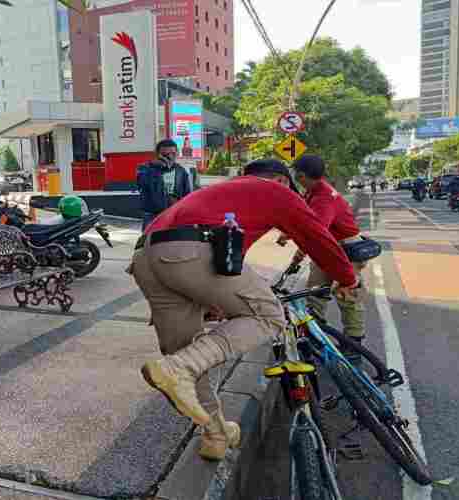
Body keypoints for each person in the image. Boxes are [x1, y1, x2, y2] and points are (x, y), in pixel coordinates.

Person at [129, 158, 358, 461]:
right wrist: (347, 278)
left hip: (145, 258)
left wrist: (213, 300)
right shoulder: (277, 191)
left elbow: (230, 259)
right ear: (281, 180)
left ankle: (215, 434)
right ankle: (179, 369)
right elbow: (317, 237)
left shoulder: (223, 192)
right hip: (190, 250)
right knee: (269, 316)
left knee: (188, 353)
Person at [282, 156, 367, 357]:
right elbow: (304, 219)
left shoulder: (324, 198)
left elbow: (316, 233)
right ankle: (315, 335)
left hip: (346, 251)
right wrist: (288, 232)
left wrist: (298, 255)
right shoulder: (313, 192)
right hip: (328, 249)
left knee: (347, 296)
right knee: (315, 293)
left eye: (296, 175)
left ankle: (354, 345)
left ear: (301, 176)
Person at [136, 139, 192, 230]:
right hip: (153, 215)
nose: (170, 157)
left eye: (173, 154)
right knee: (150, 241)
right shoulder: (145, 169)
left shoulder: (181, 171)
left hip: (174, 214)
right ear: (157, 155)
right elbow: (142, 184)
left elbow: (187, 195)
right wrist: (156, 169)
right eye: (165, 154)